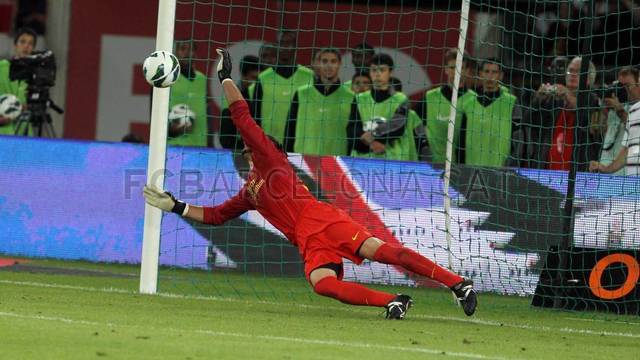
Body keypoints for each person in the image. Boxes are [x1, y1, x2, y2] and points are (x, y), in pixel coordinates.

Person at [143, 49, 478, 319]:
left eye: (252, 147)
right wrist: (175, 205)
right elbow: (216, 216)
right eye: (247, 150)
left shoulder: (273, 163)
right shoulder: (251, 191)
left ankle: (457, 284)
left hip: (324, 222)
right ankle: (394, 301)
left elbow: (242, 118)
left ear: (267, 149)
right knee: (323, 284)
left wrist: (226, 79)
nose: (247, 151)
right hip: (308, 240)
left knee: (388, 253)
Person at [526, 56, 602, 171]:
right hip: (547, 172)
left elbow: (587, 119)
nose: (572, 74)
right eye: (570, 70)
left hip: (579, 174)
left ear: (589, 79)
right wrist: (538, 100)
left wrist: (568, 95)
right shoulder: (555, 100)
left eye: (579, 72)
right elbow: (528, 122)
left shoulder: (595, 100)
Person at [347, 53, 421, 162]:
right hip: (362, 161)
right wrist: (372, 144)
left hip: (393, 160)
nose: (377, 74)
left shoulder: (401, 99)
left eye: (382, 70)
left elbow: (397, 127)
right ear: (369, 72)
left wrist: (372, 134)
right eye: (374, 70)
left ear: (390, 73)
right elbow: (352, 129)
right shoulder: (359, 99)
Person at [284, 48, 353, 156]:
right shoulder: (302, 93)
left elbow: (352, 134)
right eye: (324, 61)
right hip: (303, 161)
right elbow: (290, 129)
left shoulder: (350, 97)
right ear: (318, 64)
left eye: (333, 61)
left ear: (340, 64)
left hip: (338, 163)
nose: (329, 65)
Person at [249, 31, 314, 144]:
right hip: (269, 143)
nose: (285, 47)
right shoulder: (263, 78)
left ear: (295, 47)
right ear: (276, 47)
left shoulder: (309, 76)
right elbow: (255, 115)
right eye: (282, 43)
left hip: (299, 144)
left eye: (289, 43)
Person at [414, 48, 477, 164]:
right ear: (446, 70)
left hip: (462, 169)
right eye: (452, 68)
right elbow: (414, 123)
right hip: (431, 167)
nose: (456, 72)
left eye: (461, 68)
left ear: (468, 71)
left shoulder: (474, 100)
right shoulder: (430, 97)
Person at [459, 58, 523, 167]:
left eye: (494, 72)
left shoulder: (511, 102)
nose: (490, 76)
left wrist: (511, 166)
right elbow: (460, 141)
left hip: (500, 171)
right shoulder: (468, 103)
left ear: (501, 76)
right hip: (471, 170)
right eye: (486, 72)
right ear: (480, 74)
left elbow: (518, 140)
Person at [590, 67, 640, 176]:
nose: (624, 90)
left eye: (627, 85)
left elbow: (636, 130)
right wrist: (604, 111)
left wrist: (620, 111)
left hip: (626, 173)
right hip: (608, 166)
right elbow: (597, 131)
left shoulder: (630, 110)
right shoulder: (618, 108)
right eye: (620, 85)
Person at [167, 39, 209, 147]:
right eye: (182, 49)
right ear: (175, 53)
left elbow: (207, 111)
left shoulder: (202, 79)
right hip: (175, 145)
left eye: (190, 49)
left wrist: (210, 141)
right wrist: (172, 130)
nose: (186, 53)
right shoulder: (167, 78)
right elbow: (155, 114)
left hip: (200, 146)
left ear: (195, 54)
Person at [219, 55, 261, 151]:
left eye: (258, 80)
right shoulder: (232, 98)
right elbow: (226, 138)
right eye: (253, 78)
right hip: (239, 154)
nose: (256, 83)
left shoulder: (260, 97)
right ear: (243, 76)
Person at [0, 27, 36, 135]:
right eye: (23, 41)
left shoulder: (36, 74)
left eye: (30, 43)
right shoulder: (1, 67)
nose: (26, 46)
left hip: (24, 134)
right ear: (15, 45)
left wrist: (21, 108)